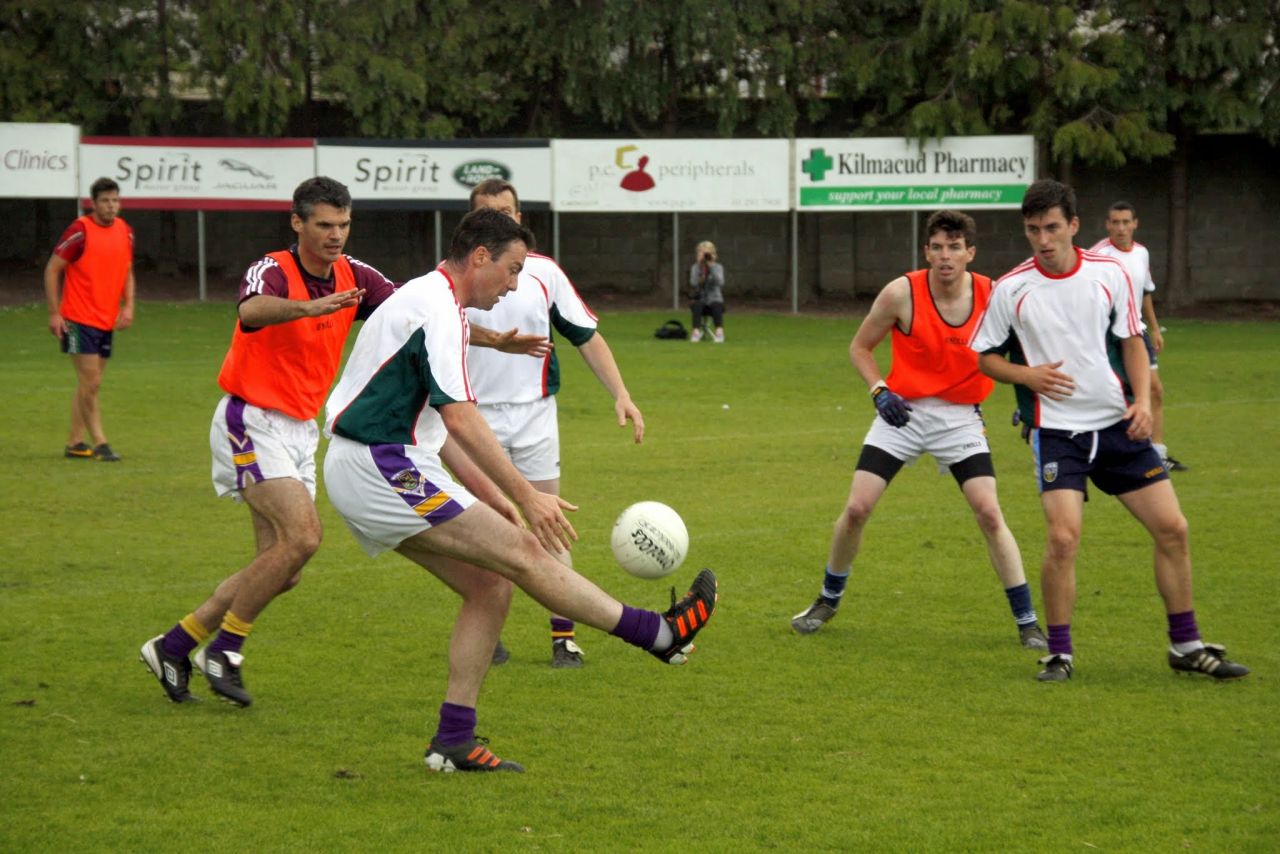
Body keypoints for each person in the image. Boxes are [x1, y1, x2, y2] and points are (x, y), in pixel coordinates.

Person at [321, 207, 718, 772]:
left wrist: (499, 496)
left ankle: (453, 740)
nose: (513, 284)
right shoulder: (436, 308)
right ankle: (658, 634)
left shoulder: (439, 304)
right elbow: (459, 419)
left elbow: (440, 432)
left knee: (491, 586)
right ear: (479, 257)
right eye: (509, 270)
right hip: (378, 465)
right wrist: (527, 498)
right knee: (524, 552)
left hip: (385, 464)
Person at [138, 177, 403, 707]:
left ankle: (175, 644)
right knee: (303, 536)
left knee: (284, 570)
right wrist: (311, 308)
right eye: (324, 224)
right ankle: (226, 650)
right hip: (251, 419)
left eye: (344, 224)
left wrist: (492, 338)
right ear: (297, 222)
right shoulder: (274, 269)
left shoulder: (356, 276)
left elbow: (415, 313)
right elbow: (250, 311)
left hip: (300, 430)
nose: (335, 235)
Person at [970, 178, 1248, 683]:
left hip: (1118, 426)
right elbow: (985, 356)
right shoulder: (1012, 288)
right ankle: (1059, 653)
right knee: (1062, 538)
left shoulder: (1110, 273)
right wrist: (1026, 376)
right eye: (1033, 230)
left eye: (1052, 227)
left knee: (1173, 529)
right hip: (1058, 434)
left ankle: (1185, 645)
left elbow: (1134, 342)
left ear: (1073, 226)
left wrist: (1143, 400)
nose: (1043, 239)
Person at [790, 210, 1047, 650]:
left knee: (989, 512)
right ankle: (827, 599)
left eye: (955, 247)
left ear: (970, 252)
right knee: (856, 509)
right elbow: (860, 347)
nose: (946, 256)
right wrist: (879, 390)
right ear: (926, 251)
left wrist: (1029, 407)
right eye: (937, 248)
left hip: (960, 418)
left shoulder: (993, 294)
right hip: (902, 414)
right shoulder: (901, 293)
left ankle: (1027, 622)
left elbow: (1025, 351)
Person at [464, 179, 645, 668]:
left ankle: (563, 637)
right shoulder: (458, 276)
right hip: (474, 420)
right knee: (487, 532)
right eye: (490, 213)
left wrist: (621, 393)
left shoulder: (544, 274)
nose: (503, 220)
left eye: (509, 212)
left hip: (536, 417)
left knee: (550, 523)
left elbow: (587, 336)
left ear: (521, 218)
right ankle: (488, 627)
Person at [1087, 201, 1185, 472]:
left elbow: (1145, 292)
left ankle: (1157, 452)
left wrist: (1154, 328)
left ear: (1134, 224)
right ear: (1107, 225)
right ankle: (1105, 450)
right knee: (1114, 395)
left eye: (1125, 222)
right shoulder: (1097, 256)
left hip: (1137, 332)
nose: (1120, 228)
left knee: (1155, 391)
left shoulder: (1142, 253)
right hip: (1110, 337)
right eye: (1115, 222)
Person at [43, 177, 136, 462]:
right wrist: (54, 312)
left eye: (115, 200)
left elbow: (127, 271)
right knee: (91, 382)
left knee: (89, 384)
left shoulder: (125, 232)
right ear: (93, 204)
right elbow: (52, 269)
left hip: (105, 320)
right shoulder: (80, 231)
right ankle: (100, 443)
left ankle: (74, 442)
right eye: (105, 201)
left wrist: (129, 304)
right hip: (77, 319)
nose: (111, 206)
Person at [688, 241, 726, 343]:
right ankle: (695, 332)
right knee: (697, 305)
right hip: (700, 300)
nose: (704, 257)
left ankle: (719, 332)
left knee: (716, 304)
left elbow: (720, 282)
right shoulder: (695, 267)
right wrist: (700, 267)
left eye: (706, 254)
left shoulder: (718, 267)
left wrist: (711, 266)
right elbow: (694, 283)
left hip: (715, 300)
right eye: (701, 253)